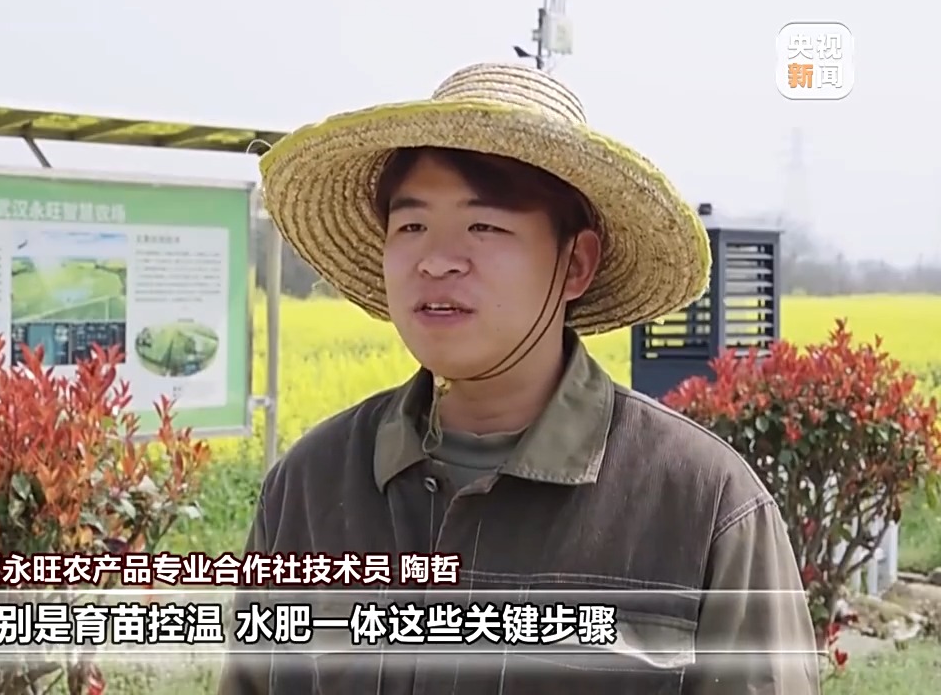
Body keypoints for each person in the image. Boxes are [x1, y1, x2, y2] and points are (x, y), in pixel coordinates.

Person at [217, 62, 820, 694]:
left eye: (485, 226)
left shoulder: (702, 504)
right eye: (412, 225)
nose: (437, 261)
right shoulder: (311, 485)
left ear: (576, 263)